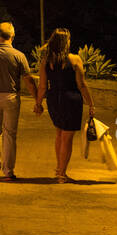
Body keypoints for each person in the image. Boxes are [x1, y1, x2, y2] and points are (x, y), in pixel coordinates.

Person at [0, 21, 39, 181]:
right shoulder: (19, 56)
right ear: (13, 35)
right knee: (10, 134)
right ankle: (8, 172)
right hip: (11, 97)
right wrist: (37, 100)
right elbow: (28, 80)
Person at [33, 28, 96, 182]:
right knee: (67, 138)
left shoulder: (46, 61)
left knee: (60, 134)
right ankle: (62, 173)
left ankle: (59, 168)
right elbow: (81, 84)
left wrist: (38, 103)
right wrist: (91, 103)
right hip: (71, 99)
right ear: (65, 43)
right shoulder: (74, 59)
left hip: (54, 99)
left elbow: (42, 86)